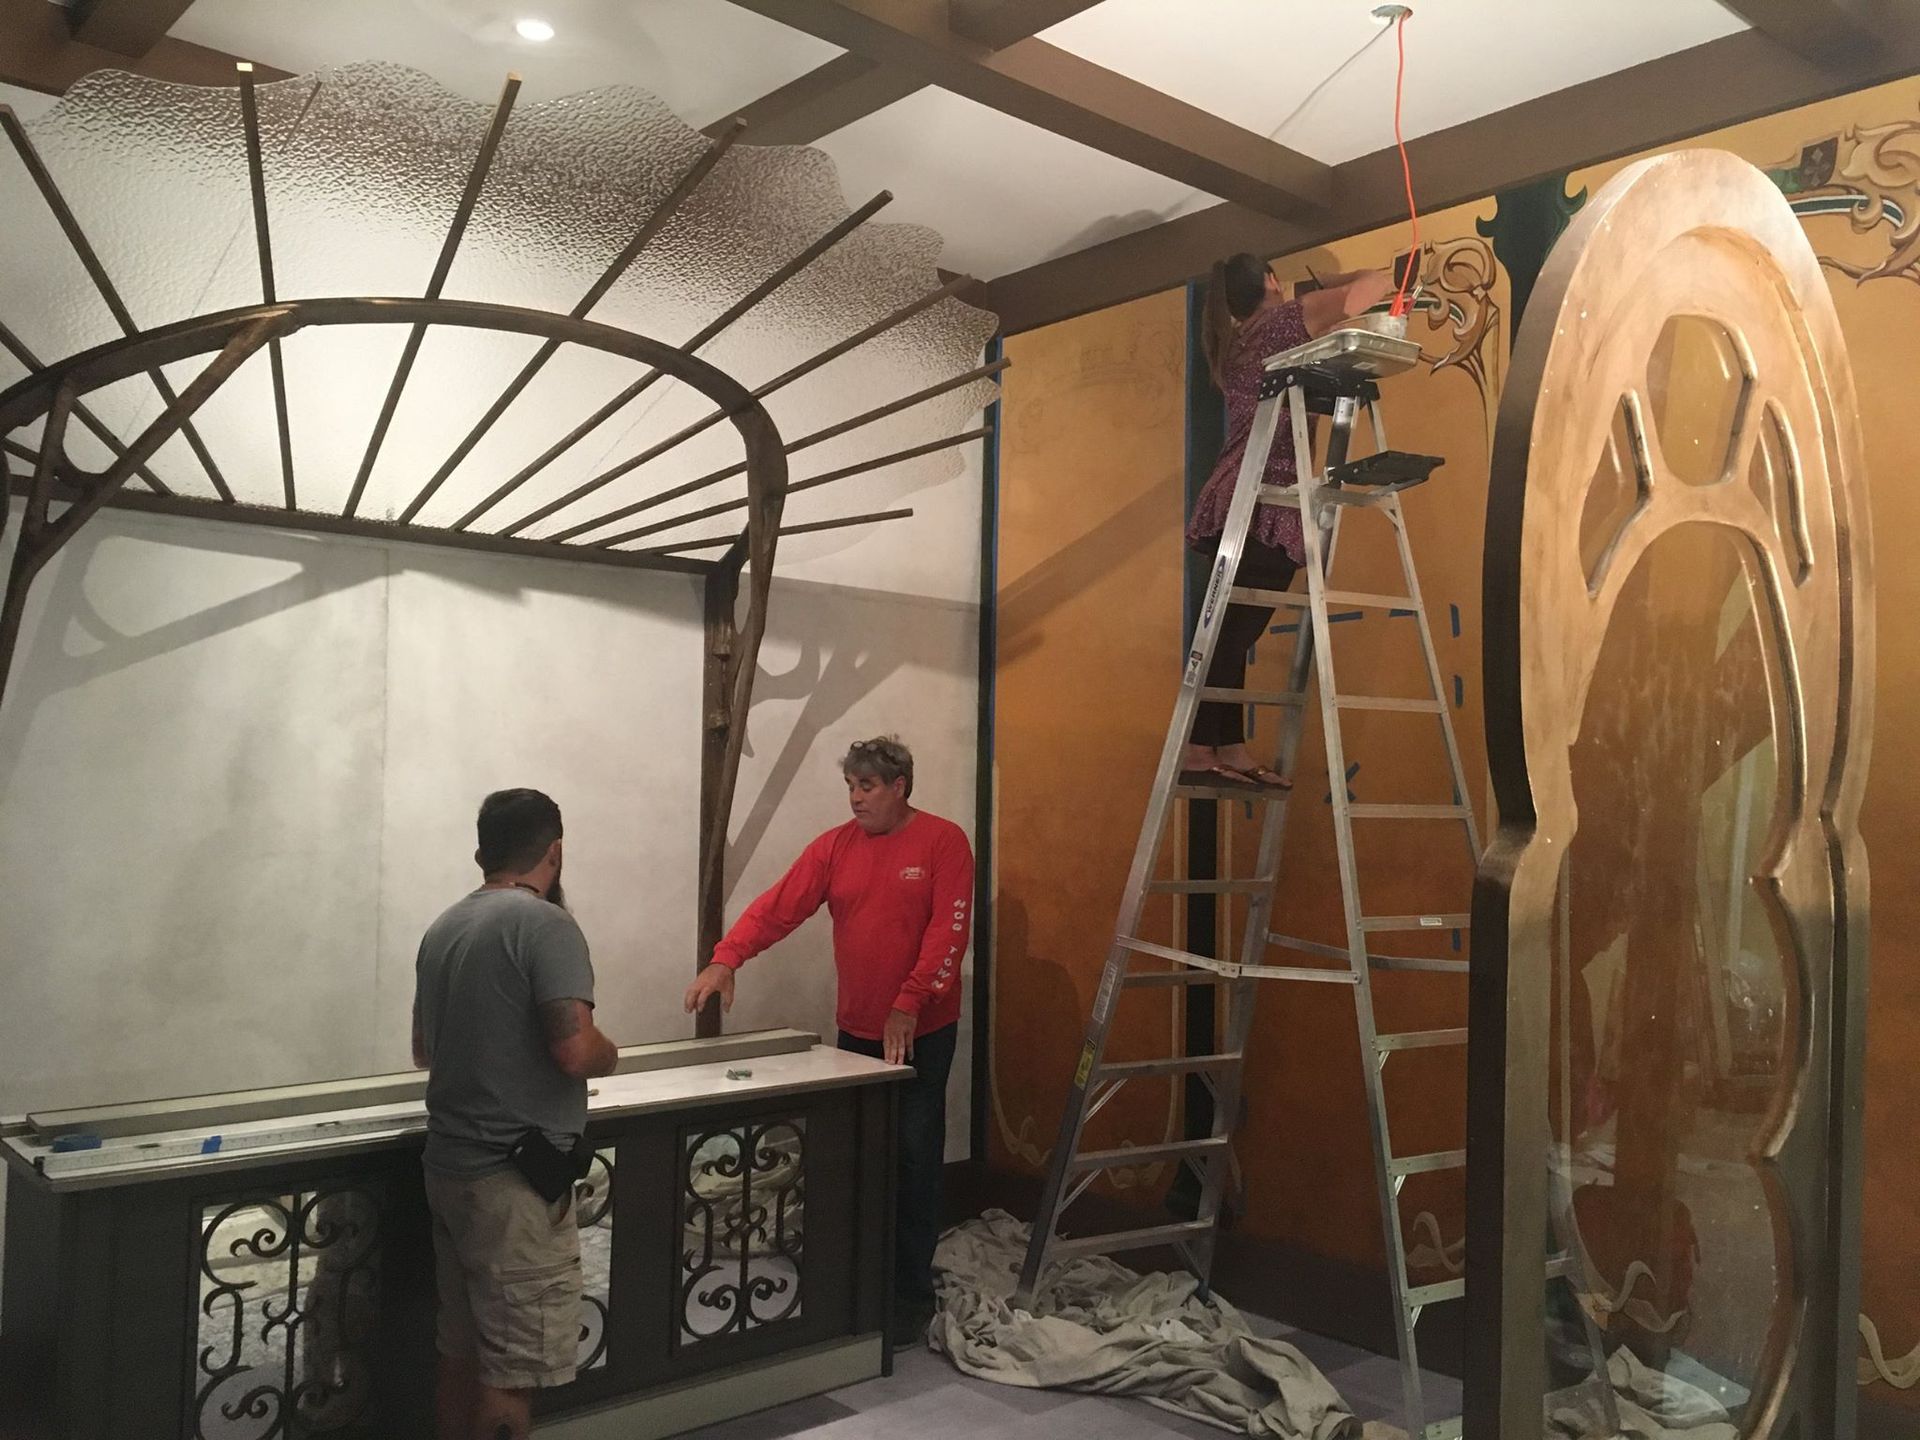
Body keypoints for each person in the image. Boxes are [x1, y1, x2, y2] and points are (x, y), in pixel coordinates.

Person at [681, 735, 972, 1346]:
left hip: (921, 1032)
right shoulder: (835, 847)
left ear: (899, 788)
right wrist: (726, 958)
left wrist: (909, 1002)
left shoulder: (943, 842)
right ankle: (854, 1286)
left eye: (867, 787)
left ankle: (908, 1296)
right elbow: (779, 906)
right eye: (850, 786)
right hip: (857, 1031)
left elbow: (950, 932)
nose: (856, 798)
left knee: (914, 1160)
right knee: (858, 1160)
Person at [412, 789, 621, 1440]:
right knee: (512, 1375)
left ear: (483, 852)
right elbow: (574, 1047)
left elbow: (424, 1051)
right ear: (554, 852)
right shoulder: (545, 925)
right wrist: (611, 1053)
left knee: (463, 1352)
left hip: (448, 1169)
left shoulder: (444, 927)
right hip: (513, 1189)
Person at [1182, 252, 1398, 791]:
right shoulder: (1280, 321)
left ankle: (1210, 746)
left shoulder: (1240, 339)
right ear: (1271, 283)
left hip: (1239, 496)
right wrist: (1337, 280)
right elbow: (1374, 286)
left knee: (1231, 632)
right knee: (1235, 633)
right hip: (1262, 501)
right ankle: (1208, 747)